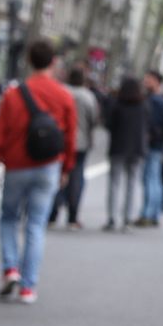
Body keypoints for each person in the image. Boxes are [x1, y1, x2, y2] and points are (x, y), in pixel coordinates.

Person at [0, 40, 77, 305]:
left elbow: (0, 133)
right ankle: (28, 286)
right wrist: (66, 167)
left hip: (17, 165)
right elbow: (70, 136)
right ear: (53, 62)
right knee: (36, 224)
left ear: (29, 61)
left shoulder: (13, 94)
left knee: (8, 218)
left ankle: (10, 269)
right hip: (48, 166)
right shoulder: (63, 95)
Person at [48, 67, 99, 230]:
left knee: (57, 175)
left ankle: (52, 214)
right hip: (81, 142)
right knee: (76, 177)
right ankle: (72, 216)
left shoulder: (61, 92)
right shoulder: (87, 96)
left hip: (59, 140)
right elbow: (94, 119)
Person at [104, 77, 148, 231]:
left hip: (118, 148)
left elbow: (108, 124)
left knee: (114, 183)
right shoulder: (143, 106)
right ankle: (127, 219)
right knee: (132, 184)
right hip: (137, 149)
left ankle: (111, 218)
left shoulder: (116, 105)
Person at [135, 70, 163, 228]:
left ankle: (147, 213)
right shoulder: (160, 100)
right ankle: (153, 213)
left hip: (152, 145)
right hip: (158, 144)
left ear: (157, 81)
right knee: (154, 178)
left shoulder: (155, 101)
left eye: (148, 79)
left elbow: (153, 125)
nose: (145, 81)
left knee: (150, 178)